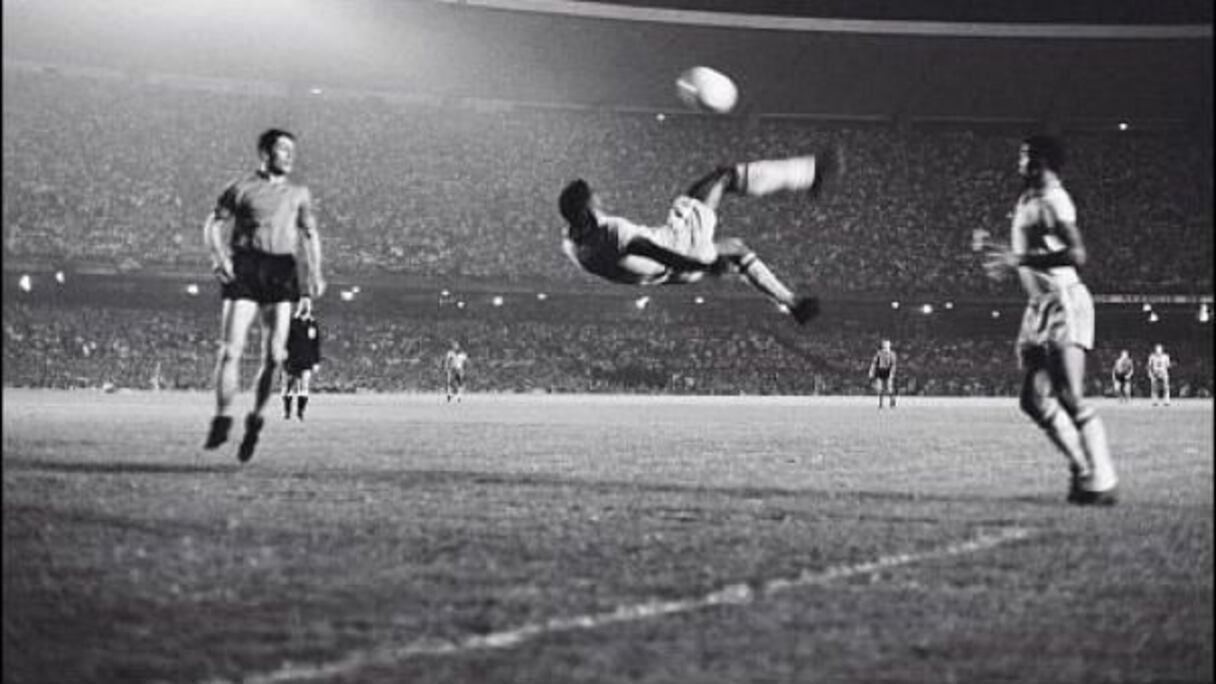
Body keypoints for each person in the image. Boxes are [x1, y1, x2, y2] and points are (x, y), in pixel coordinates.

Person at [982, 134, 1118, 505]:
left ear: (1041, 161)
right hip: (1039, 306)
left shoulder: (1054, 203)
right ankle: (1083, 471)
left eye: (1024, 155)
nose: (1019, 161)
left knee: (1069, 396)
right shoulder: (1029, 197)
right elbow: (1035, 250)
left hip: (1063, 303)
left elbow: (1077, 254)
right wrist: (1013, 258)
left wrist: (1020, 261)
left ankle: (1102, 479)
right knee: (1033, 400)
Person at [557, 150, 841, 325]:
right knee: (725, 176)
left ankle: (794, 304)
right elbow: (654, 251)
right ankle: (811, 171)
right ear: (588, 205)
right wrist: (703, 265)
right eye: (594, 196)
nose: (600, 197)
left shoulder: (573, 245)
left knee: (736, 249)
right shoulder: (612, 232)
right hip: (680, 248)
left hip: (669, 274)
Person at [202, 128, 326, 462]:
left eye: (292, 150)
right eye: (283, 149)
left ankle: (255, 419)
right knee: (230, 351)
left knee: (274, 356)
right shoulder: (241, 188)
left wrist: (314, 272)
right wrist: (218, 257)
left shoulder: (299, 194)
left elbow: (310, 234)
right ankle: (223, 417)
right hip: (245, 266)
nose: (289, 155)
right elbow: (212, 224)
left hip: (281, 270)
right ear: (265, 152)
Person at [282, 297, 322, 420]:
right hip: (292, 359)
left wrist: (316, 361)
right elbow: (285, 340)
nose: (305, 306)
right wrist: (284, 353)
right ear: (300, 306)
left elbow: (316, 344)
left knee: (304, 386)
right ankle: (287, 412)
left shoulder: (313, 324)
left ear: (310, 306)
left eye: (307, 304)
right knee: (289, 386)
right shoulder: (292, 322)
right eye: (303, 303)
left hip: (307, 359)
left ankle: (300, 412)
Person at [868, 339, 898, 409]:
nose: (885, 348)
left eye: (887, 346)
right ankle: (881, 404)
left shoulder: (892, 354)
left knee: (889, 388)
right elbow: (874, 363)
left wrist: (891, 374)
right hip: (880, 372)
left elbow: (893, 365)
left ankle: (892, 402)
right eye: (884, 346)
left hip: (888, 372)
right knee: (880, 388)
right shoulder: (879, 354)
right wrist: (871, 371)